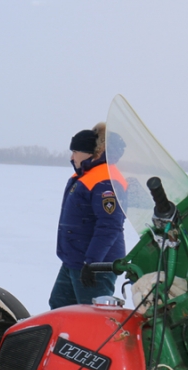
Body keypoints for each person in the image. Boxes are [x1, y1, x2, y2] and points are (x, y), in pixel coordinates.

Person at [49, 123, 126, 309]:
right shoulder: (86, 176)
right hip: (74, 260)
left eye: (75, 151)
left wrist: (92, 263)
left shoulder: (106, 180)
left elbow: (110, 225)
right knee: (60, 306)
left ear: (87, 152)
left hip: (95, 265)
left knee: (92, 315)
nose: (71, 157)